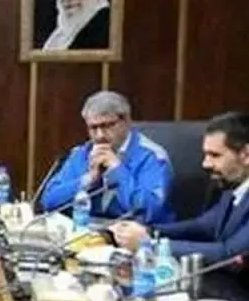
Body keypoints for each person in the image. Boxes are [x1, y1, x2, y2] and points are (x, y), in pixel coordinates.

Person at [112, 111, 249, 301]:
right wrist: (149, 230)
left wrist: (150, 244)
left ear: (247, 155)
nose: (205, 164)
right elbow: (205, 226)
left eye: (215, 155)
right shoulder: (236, 183)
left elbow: (229, 255)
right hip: (225, 296)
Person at [38, 91, 174, 224]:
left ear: (126, 121)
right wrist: (88, 180)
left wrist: (117, 170)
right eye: (93, 128)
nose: (100, 135)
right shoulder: (82, 154)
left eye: (106, 126)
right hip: (89, 231)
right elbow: (48, 201)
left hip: (136, 233)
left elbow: (149, 211)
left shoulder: (151, 157)